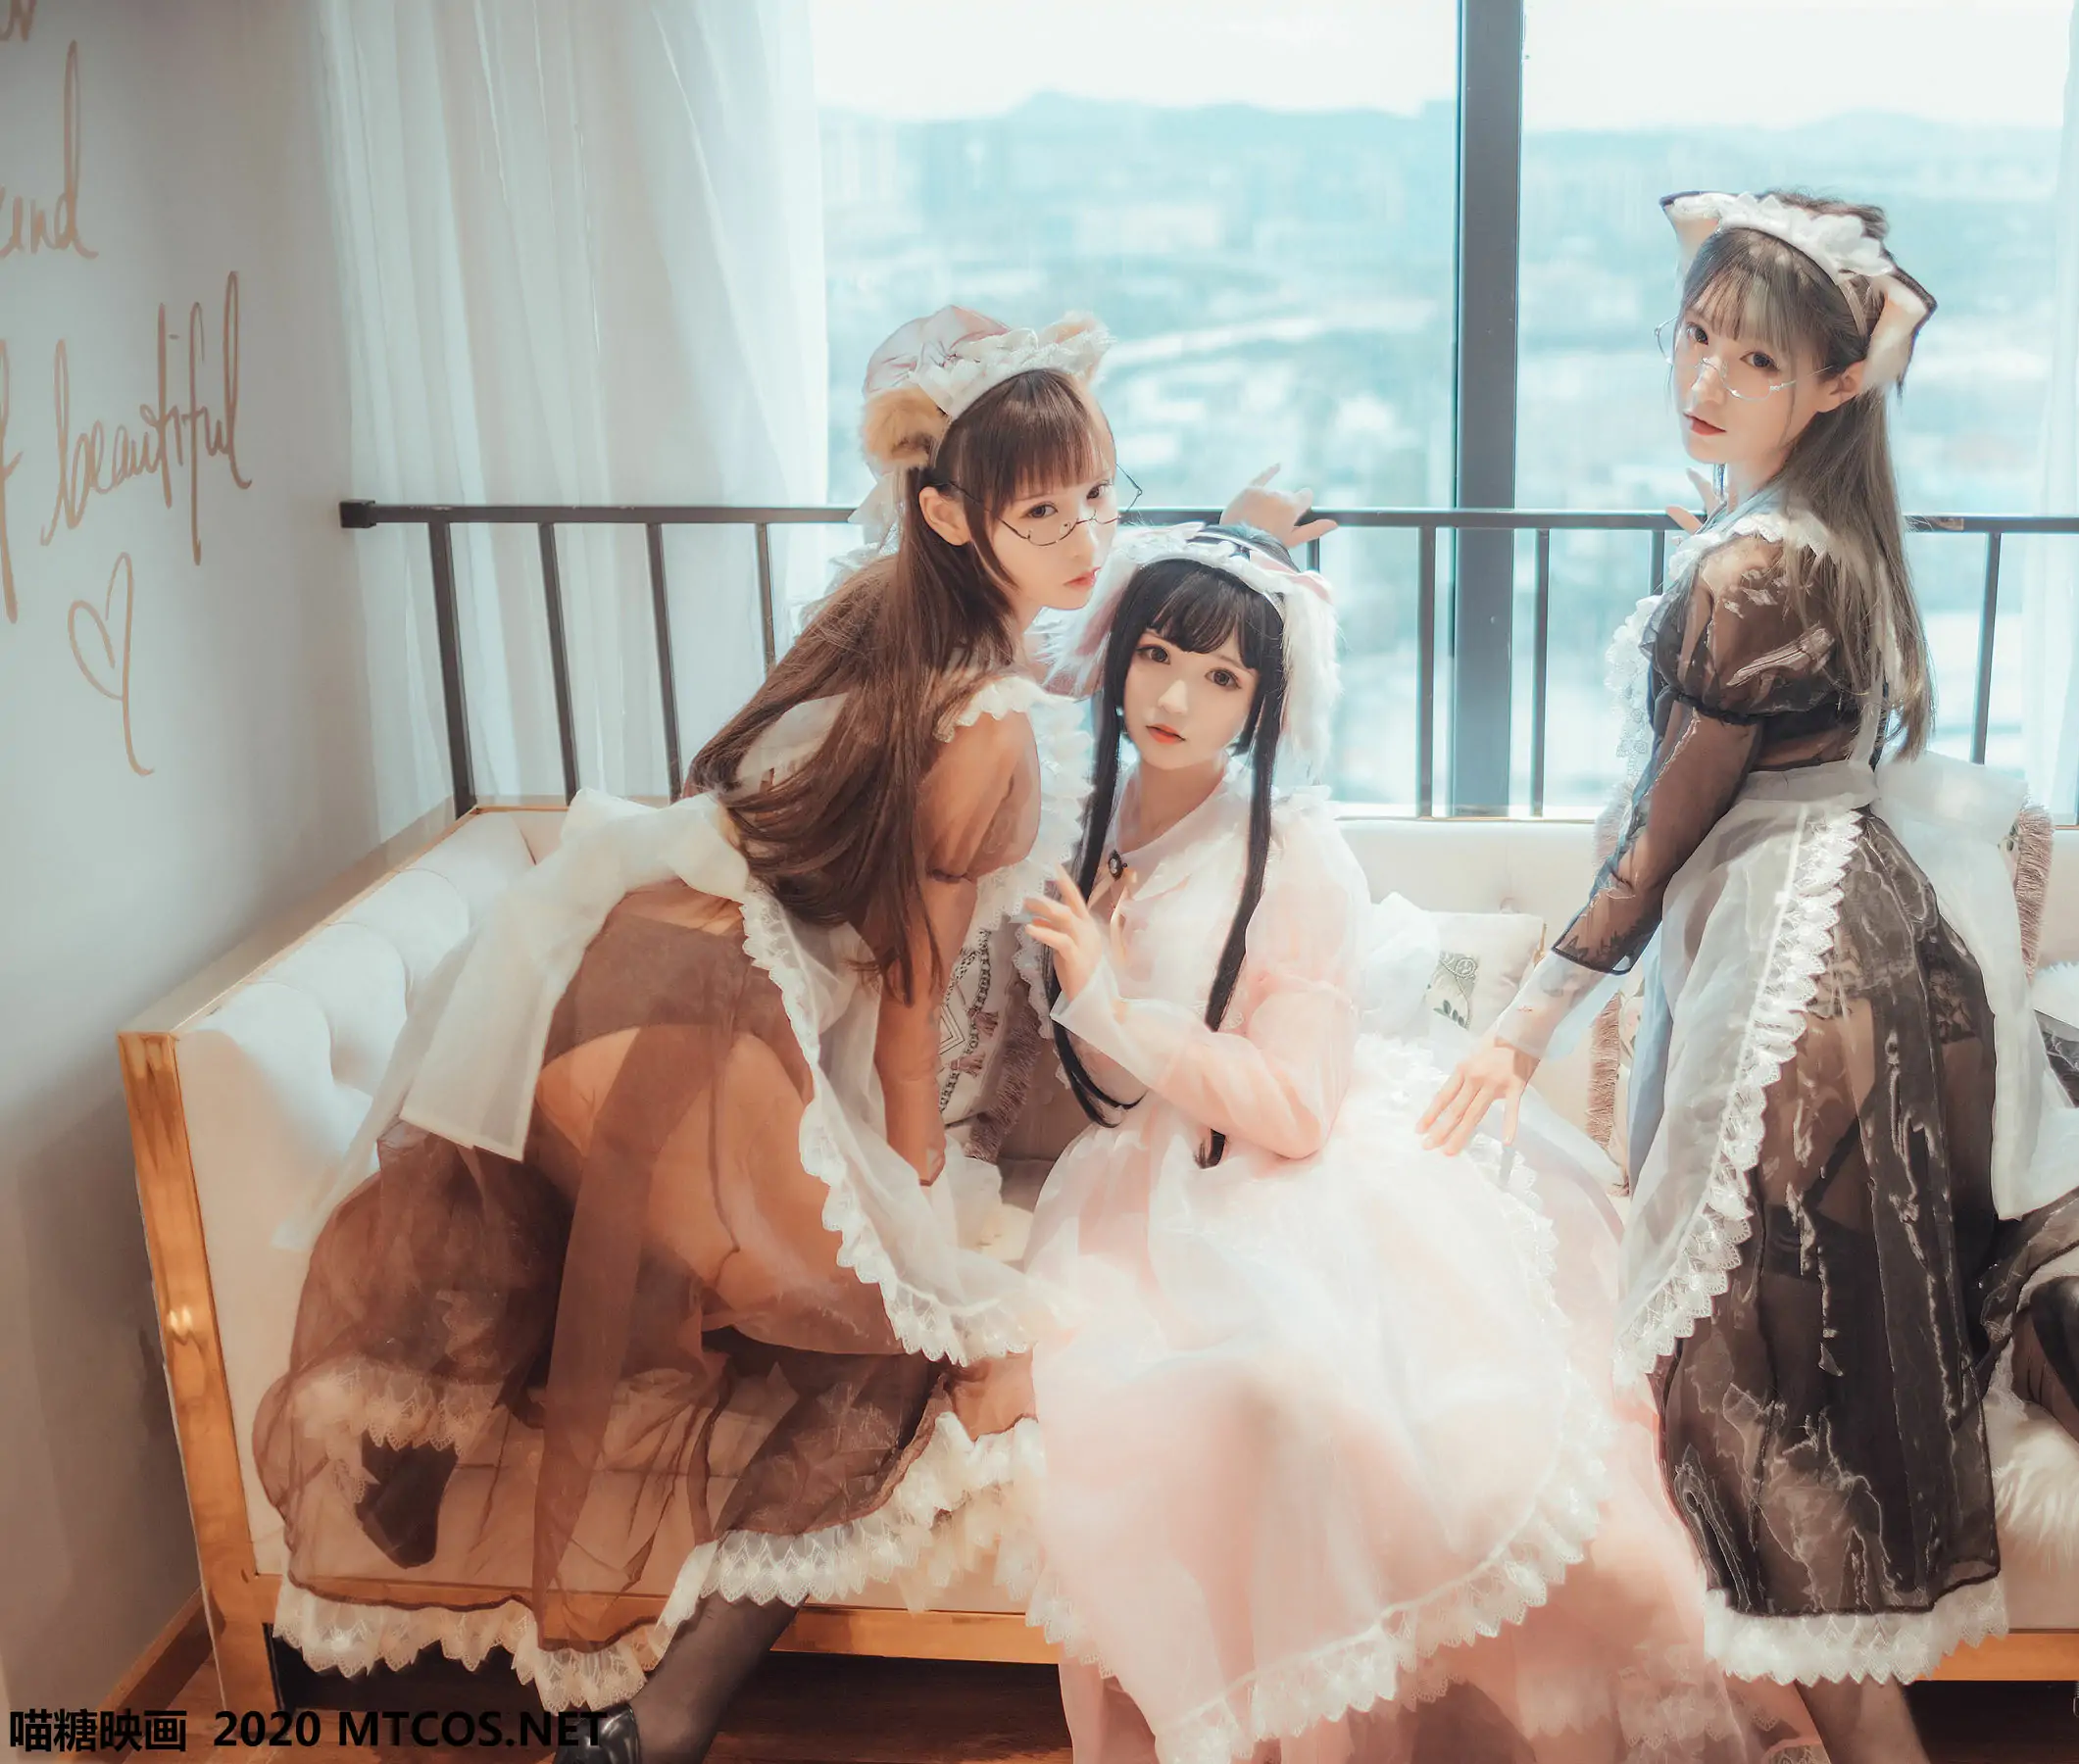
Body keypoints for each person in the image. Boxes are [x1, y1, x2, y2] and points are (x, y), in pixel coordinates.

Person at [252, 309, 1327, 1764]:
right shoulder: (986, 729)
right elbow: (906, 1015)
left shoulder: (889, 609)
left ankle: (419, 1458)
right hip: (718, 1041)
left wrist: (1241, 535)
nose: (1089, 538)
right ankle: (664, 1722)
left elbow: (1096, 668)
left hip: (613, 991)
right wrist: (922, 1209)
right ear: (949, 516)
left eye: (1101, 494)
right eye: (1045, 514)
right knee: (902, 1350)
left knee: (760, 1293)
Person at [1421, 194, 2079, 1764]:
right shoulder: (1826, 531)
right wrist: (1837, 368)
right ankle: (2061, 1345)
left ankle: (1862, 1726)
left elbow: (1657, 843)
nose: (1704, 378)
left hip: (1794, 972)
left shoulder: (1753, 572)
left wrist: (1521, 1028)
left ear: (1827, 387)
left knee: (1745, 1394)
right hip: (1866, 939)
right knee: (1838, 1334)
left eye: (1754, 359)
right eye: (1694, 336)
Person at [1015, 524, 1822, 1764]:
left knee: (1367, 1416)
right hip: (1135, 1184)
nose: (1176, 699)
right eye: (1159, 655)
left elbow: (1295, 1110)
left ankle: (1734, 1721)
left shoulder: (1289, 852)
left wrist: (1112, 1005)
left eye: (1223, 678)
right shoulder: (1074, 812)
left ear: (1264, 704)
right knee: (1158, 1411)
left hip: (1279, 1170)